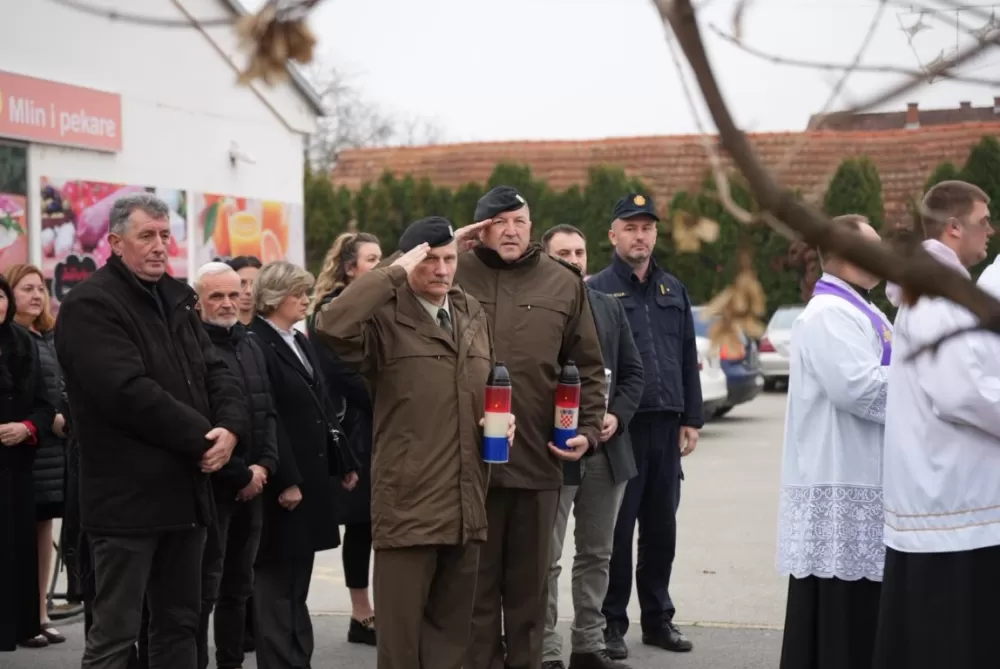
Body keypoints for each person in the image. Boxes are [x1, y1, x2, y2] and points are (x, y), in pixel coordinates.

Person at [55, 192, 249, 669]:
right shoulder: (89, 305)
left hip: (186, 497)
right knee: (116, 636)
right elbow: (127, 393)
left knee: (180, 627)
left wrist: (231, 429)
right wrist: (206, 438)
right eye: (147, 235)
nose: (161, 245)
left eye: (165, 235)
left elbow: (218, 372)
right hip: (126, 504)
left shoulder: (177, 299)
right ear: (116, 242)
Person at [315, 216, 516, 669]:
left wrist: (505, 419)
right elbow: (330, 325)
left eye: (449, 260)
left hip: (465, 504)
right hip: (408, 508)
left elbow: (482, 387)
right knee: (402, 647)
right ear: (408, 264)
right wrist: (393, 270)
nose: (443, 270)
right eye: (431, 261)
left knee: (449, 644)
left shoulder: (469, 315)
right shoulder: (384, 320)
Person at [456, 187, 607, 669]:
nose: (511, 230)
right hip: (467, 461)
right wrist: (443, 246)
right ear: (480, 229)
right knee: (475, 591)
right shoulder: (451, 272)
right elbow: (388, 289)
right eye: (499, 221)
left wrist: (585, 428)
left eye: (519, 220)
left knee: (529, 591)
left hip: (538, 461)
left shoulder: (562, 282)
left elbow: (587, 366)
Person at [874, 180, 998, 669]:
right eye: (983, 221)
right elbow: (961, 390)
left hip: (951, 490)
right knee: (951, 639)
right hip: (952, 495)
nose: (990, 232)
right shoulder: (936, 296)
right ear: (952, 228)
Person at [588, 193, 703, 660]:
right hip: (623, 430)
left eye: (647, 227)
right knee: (616, 533)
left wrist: (692, 418)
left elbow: (687, 358)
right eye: (630, 228)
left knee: (661, 530)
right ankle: (611, 624)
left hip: (666, 427)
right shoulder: (597, 290)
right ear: (613, 235)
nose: (640, 235)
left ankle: (658, 620)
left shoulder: (672, 289)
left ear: (656, 233)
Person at [776, 215, 890, 669]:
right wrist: (925, 384)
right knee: (840, 609)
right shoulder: (827, 314)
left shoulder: (864, 307)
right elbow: (858, 390)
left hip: (865, 467)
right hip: (842, 472)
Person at [540, 225, 644, 669]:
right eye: (563, 252)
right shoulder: (535, 309)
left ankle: (588, 645)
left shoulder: (608, 307)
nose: (574, 259)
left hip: (606, 451)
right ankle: (544, 651)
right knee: (545, 559)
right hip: (554, 453)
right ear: (545, 258)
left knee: (597, 555)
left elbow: (634, 375)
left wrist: (615, 416)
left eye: (580, 251)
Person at [247, 260, 359, 669]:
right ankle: (280, 661)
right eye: (298, 293)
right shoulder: (255, 342)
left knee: (298, 582)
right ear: (275, 297)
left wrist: (344, 460)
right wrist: (286, 480)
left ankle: (299, 659)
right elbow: (266, 417)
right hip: (285, 484)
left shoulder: (298, 338)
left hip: (312, 480)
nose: (305, 299)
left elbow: (323, 407)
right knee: (276, 584)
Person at [193, 262, 280, 669]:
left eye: (233, 294)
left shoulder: (250, 344)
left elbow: (269, 413)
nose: (228, 303)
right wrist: (240, 474)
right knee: (202, 593)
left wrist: (264, 466)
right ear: (198, 302)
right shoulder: (191, 347)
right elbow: (198, 425)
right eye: (217, 296)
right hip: (212, 489)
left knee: (238, 590)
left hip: (254, 486)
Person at [307, 232, 382, 645]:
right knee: (361, 523)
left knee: (376, 524)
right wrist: (392, 399)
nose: (380, 265)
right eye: (372, 259)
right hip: (354, 428)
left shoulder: (385, 304)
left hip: (381, 425)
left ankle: (382, 611)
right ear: (350, 268)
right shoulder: (330, 310)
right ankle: (362, 614)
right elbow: (340, 374)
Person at [5, 264, 71, 647]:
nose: (36, 295)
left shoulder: (50, 336)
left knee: (43, 527)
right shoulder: (10, 339)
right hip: (21, 445)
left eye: (41, 289)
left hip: (50, 445)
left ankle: (40, 611)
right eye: (26, 288)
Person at [0, 274, 55, 652]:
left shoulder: (21, 341)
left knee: (16, 547)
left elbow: (44, 402)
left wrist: (27, 427)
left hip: (14, 464)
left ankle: (20, 624)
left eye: (0, 297)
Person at [224, 255, 262, 651]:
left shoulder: (260, 340)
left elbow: (268, 410)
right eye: (241, 284)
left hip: (259, 469)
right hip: (228, 471)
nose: (246, 293)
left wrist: (264, 465)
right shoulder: (209, 339)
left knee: (250, 568)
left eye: (253, 284)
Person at [226, 256, 262, 326]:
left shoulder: (270, 327)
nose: (249, 291)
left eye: (255, 284)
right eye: (241, 283)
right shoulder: (216, 329)